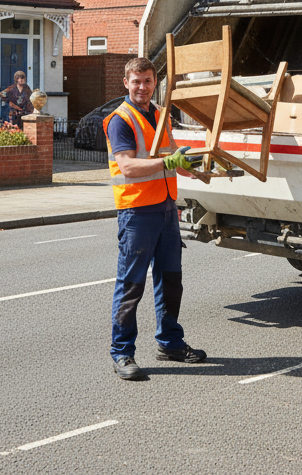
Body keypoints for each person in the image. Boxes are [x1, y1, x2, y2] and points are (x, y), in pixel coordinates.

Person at [103, 57, 210, 381]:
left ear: (154, 82)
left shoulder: (161, 114)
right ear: (126, 83)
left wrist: (201, 170)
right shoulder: (119, 120)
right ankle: (122, 353)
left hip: (165, 210)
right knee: (131, 285)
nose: (142, 87)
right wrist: (169, 162)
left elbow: (173, 157)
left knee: (171, 281)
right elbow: (128, 167)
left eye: (148, 81)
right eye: (136, 81)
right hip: (137, 213)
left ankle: (170, 343)